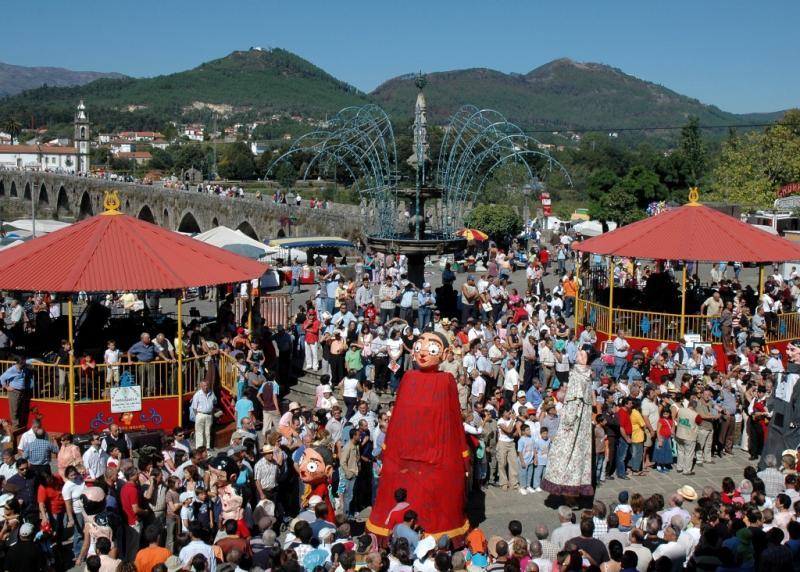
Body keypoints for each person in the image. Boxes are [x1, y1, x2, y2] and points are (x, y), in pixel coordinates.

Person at [541, 347, 595, 499]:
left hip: (572, 423)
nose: (578, 354)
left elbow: (573, 402)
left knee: (566, 452)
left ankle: (567, 489)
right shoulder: (585, 375)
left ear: (585, 359)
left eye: (581, 353)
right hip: (581, 423)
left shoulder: (578, 376)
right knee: (576, 454)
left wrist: (567, 424)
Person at [0, 356, 31, 428]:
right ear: (19, 364)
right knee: (14, 409)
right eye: (23, 364)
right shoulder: (12, 370)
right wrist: (7, 387)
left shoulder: (22, 368)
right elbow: (2, 378)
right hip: (14, 391)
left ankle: (18, 424)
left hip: (21, 391)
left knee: (20, 408)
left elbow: (31, 360)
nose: (24, 366)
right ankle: (15, 426)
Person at [191, 380, 217, 449]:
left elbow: (215, 402)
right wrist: (198, 415)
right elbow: (194, 407)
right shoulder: (197, 395)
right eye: (204, 386)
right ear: (201, 386)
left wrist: (212, 412)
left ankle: (207, 447)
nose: (206, 387)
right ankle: (199, 448)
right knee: (199, 432)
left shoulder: (211, 393)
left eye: (207, 385)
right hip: (200, 414)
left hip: (209, 415)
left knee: (207, 432)